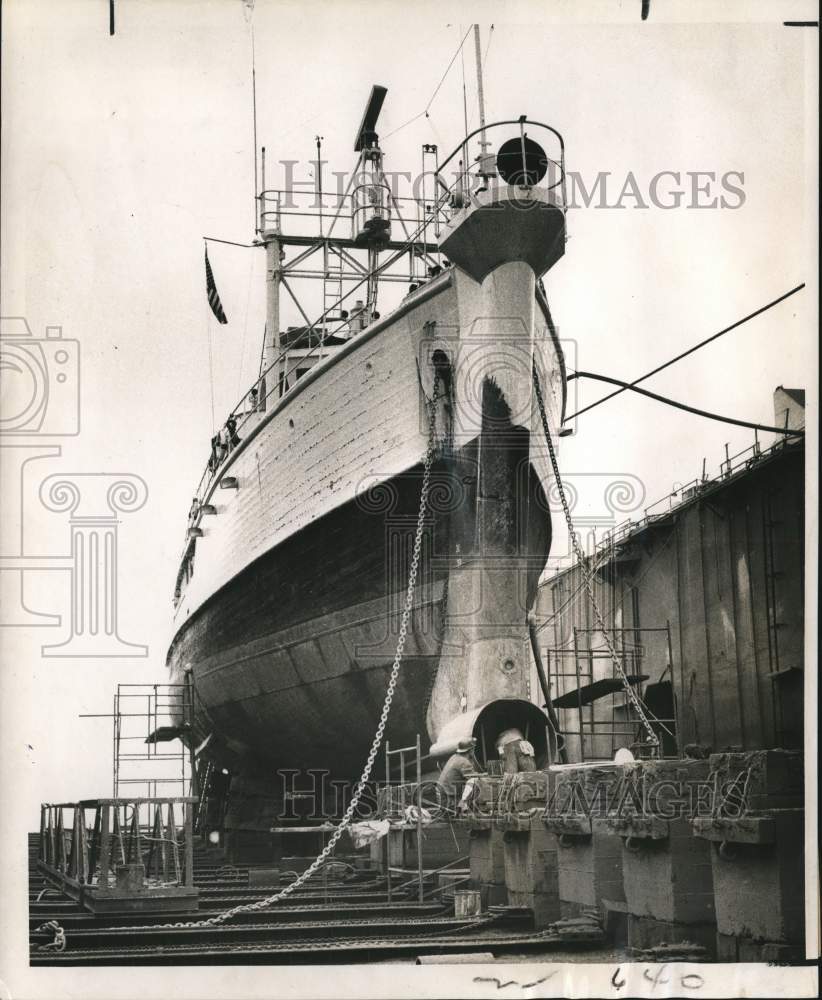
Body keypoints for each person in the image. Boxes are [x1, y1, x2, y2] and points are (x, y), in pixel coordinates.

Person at [436, 738, 481, 815]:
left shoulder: (454, 757)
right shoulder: (464, 762)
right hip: (449, 802)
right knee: (475, 783)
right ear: (471, 750)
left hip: (441, 799)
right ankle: (464, 809)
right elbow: (473, 778)